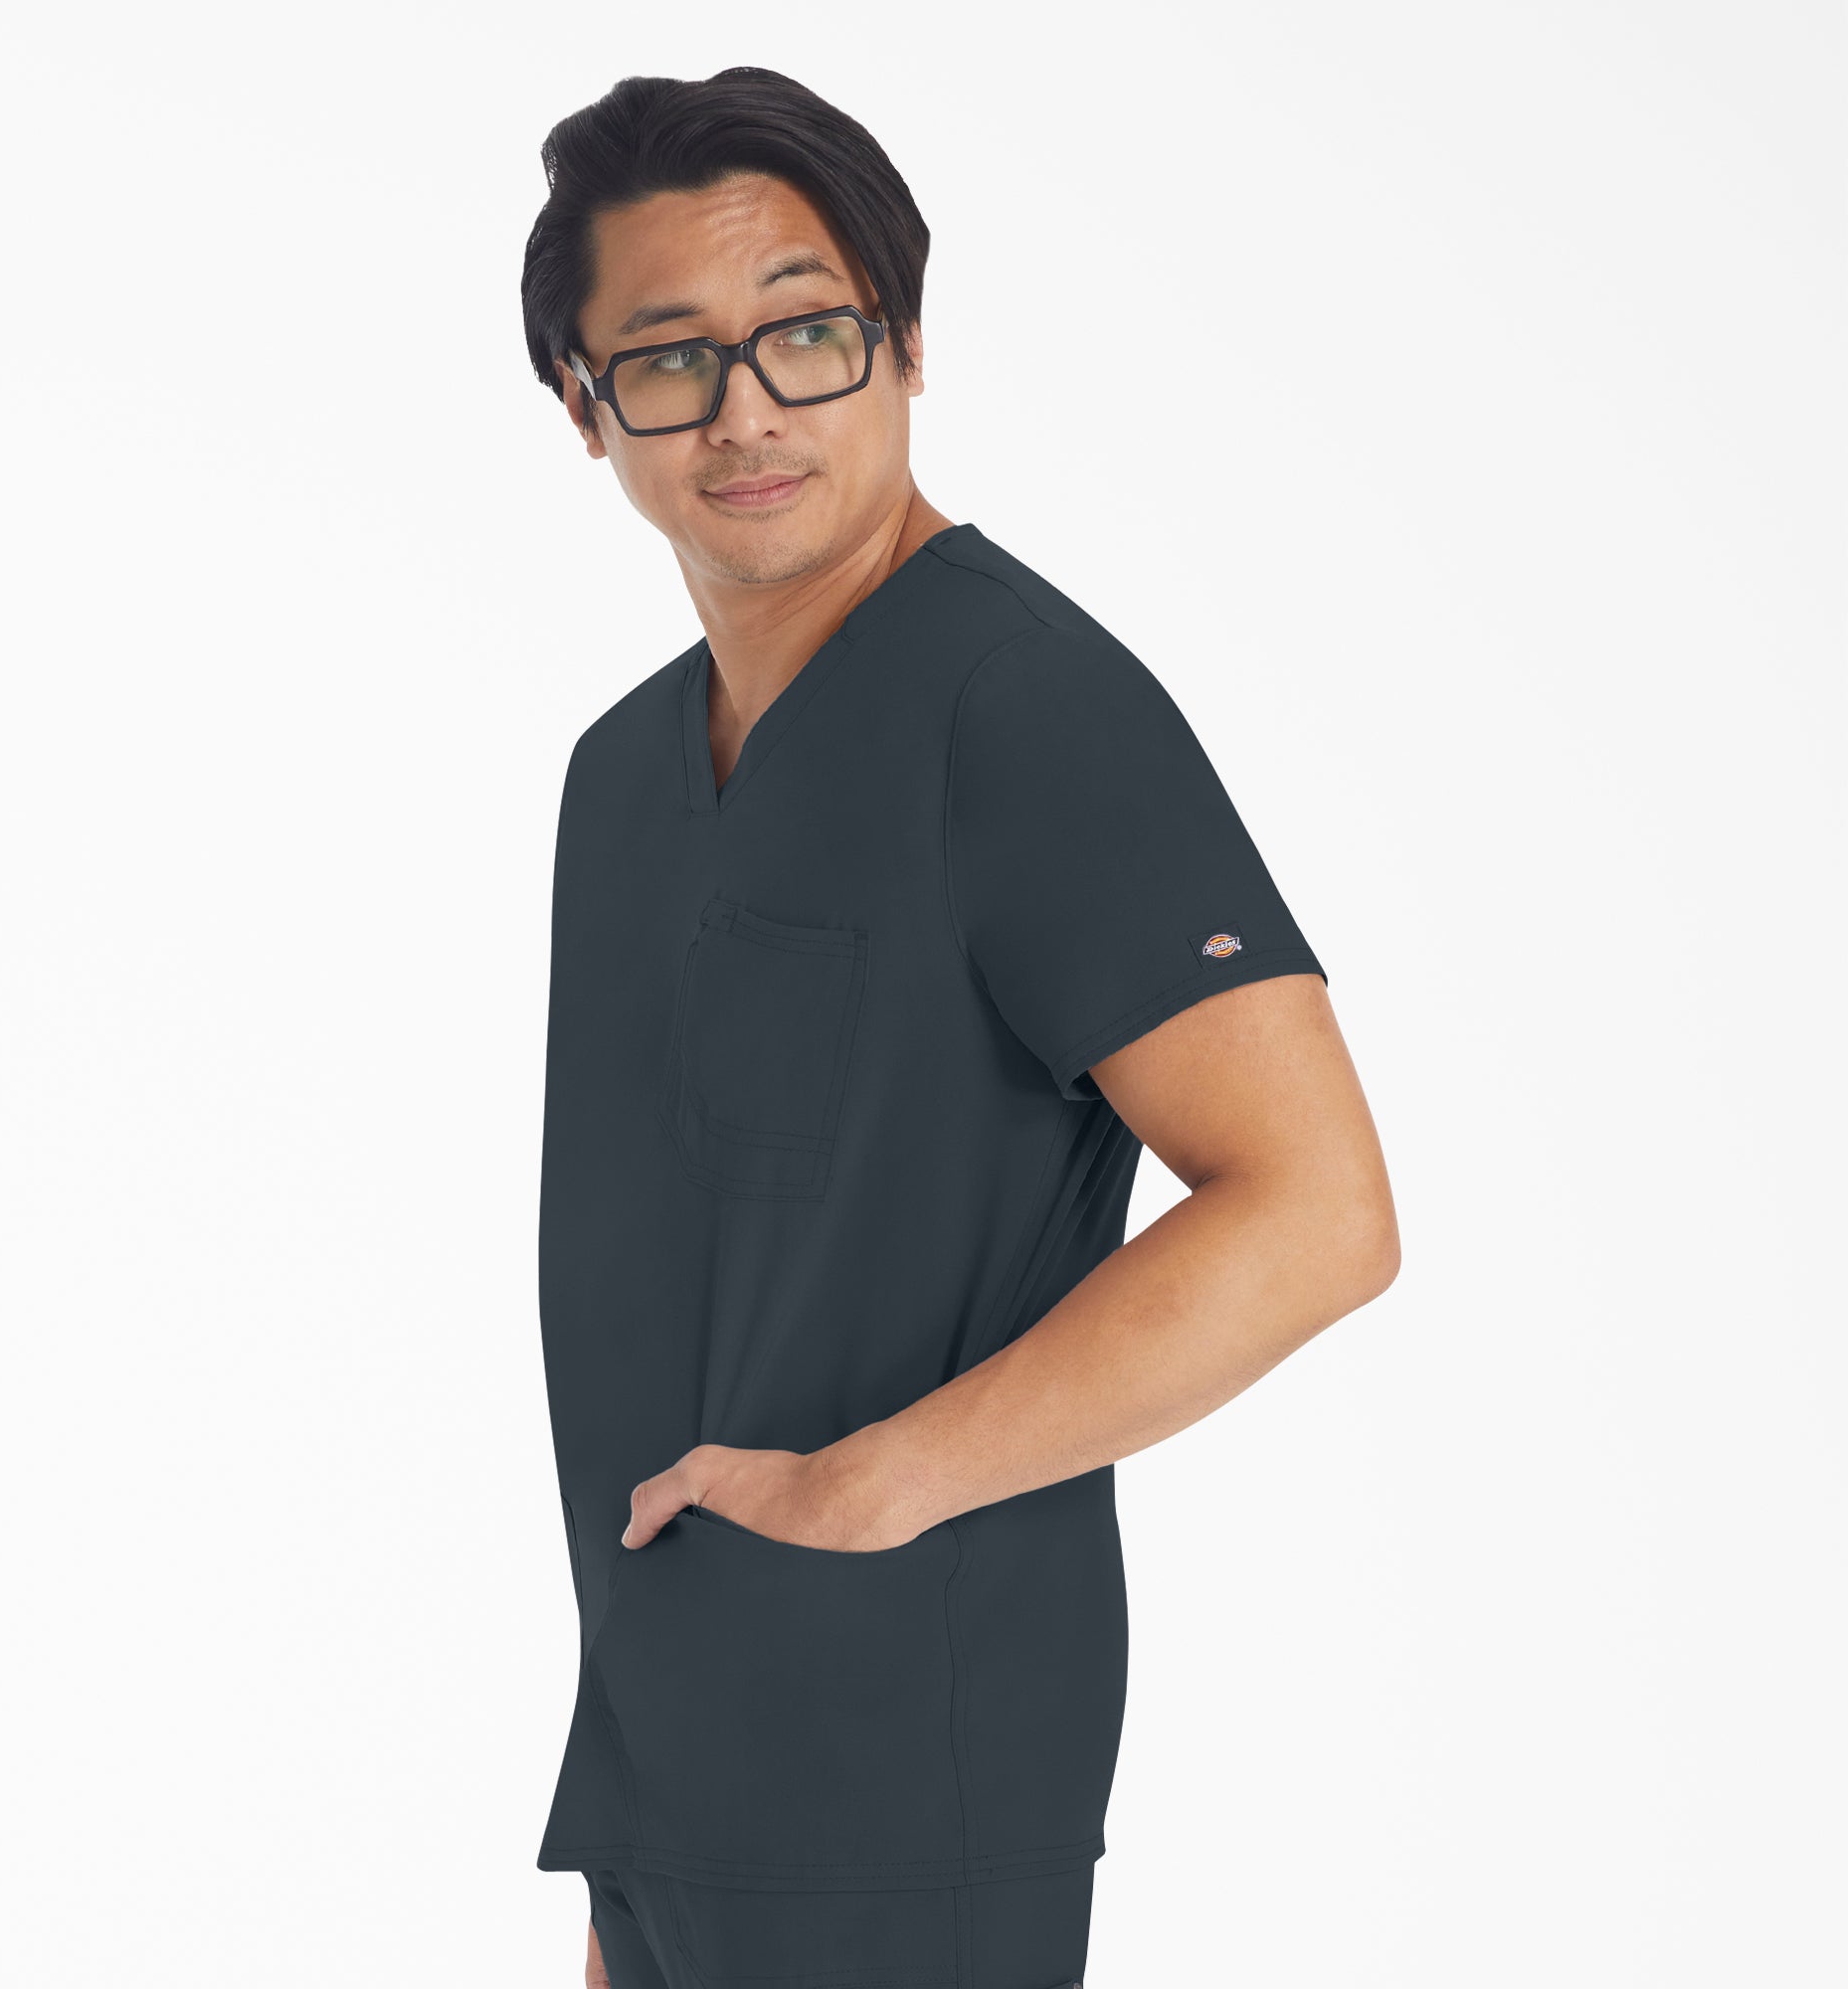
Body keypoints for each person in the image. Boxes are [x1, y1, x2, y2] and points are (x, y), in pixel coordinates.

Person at [518, 66, 1400, 1989]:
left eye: (806, 333)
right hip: (667, 1775)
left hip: (906, 1771)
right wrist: (624, 1874)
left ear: (905, 348)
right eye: (666, 360)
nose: (747, 410)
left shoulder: (1023, 712)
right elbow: (680, 1296)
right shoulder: (621, 780)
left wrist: (871, 1488)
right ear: (586, 410)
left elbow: (1320, 1210)